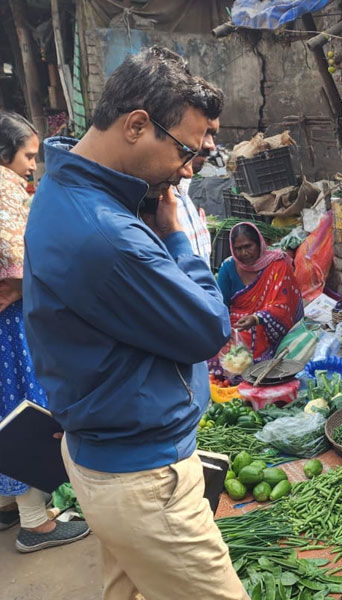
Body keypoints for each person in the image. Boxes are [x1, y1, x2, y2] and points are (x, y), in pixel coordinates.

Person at [22, 47, 248, 599]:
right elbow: (207, 327)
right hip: (144, 480)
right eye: (185, 151)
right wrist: (176, 238)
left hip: (102, 455)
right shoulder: (109, 236)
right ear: (137, 125)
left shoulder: (63, 186)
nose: (189, 168)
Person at [0, 111, 92, 552]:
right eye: (28, 156)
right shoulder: (6, 189)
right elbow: (24, 262)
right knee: (28, 409)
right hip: (11, 323)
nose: (32, 166)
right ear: (6, 153)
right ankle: (35, 523)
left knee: (4, 407)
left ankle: (8, 503)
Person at [209, 222, 303, 379]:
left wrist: (256, 318)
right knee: (217, 343)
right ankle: (224, 380)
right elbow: (221, 305)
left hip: (269, 323)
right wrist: (224, 329)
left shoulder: (278, 264)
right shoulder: (228, 267)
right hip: (236, 321)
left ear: (259, 244)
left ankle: (256, 375)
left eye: (248, 246)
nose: (244, 253)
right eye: (238, 248)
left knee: (250, 335)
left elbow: (282, 304)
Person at [173, 115, 219, 264]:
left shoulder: (184, 193)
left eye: (212, 134)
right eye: (202, 131)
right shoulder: (153, 208)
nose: (210, 145)